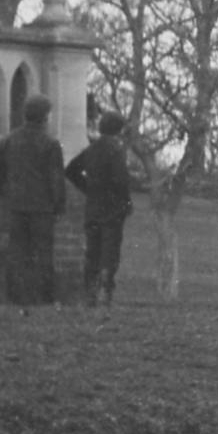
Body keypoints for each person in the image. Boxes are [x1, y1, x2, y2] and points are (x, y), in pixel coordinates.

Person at [0, 93, 65, 304]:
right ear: (44, 117)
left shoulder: (9, 140)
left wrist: (7, 194)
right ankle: (43, 298)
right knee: (43, 254)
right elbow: (56, 179)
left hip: (16, 206)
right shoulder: (51, 144)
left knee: (17, 253)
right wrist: (58, 206)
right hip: (42, 208)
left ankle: (15, 297)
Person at [63, 110, 134, 306]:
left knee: (93, 251)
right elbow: (121, 181)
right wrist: (127, 202)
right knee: (110, 252)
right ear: (118, 130)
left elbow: (70, 170)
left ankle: (90, 294)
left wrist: (89, 189)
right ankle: (105, 292)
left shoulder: (91, 149)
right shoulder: (116, 150)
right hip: (112, 209)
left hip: (93, 208)